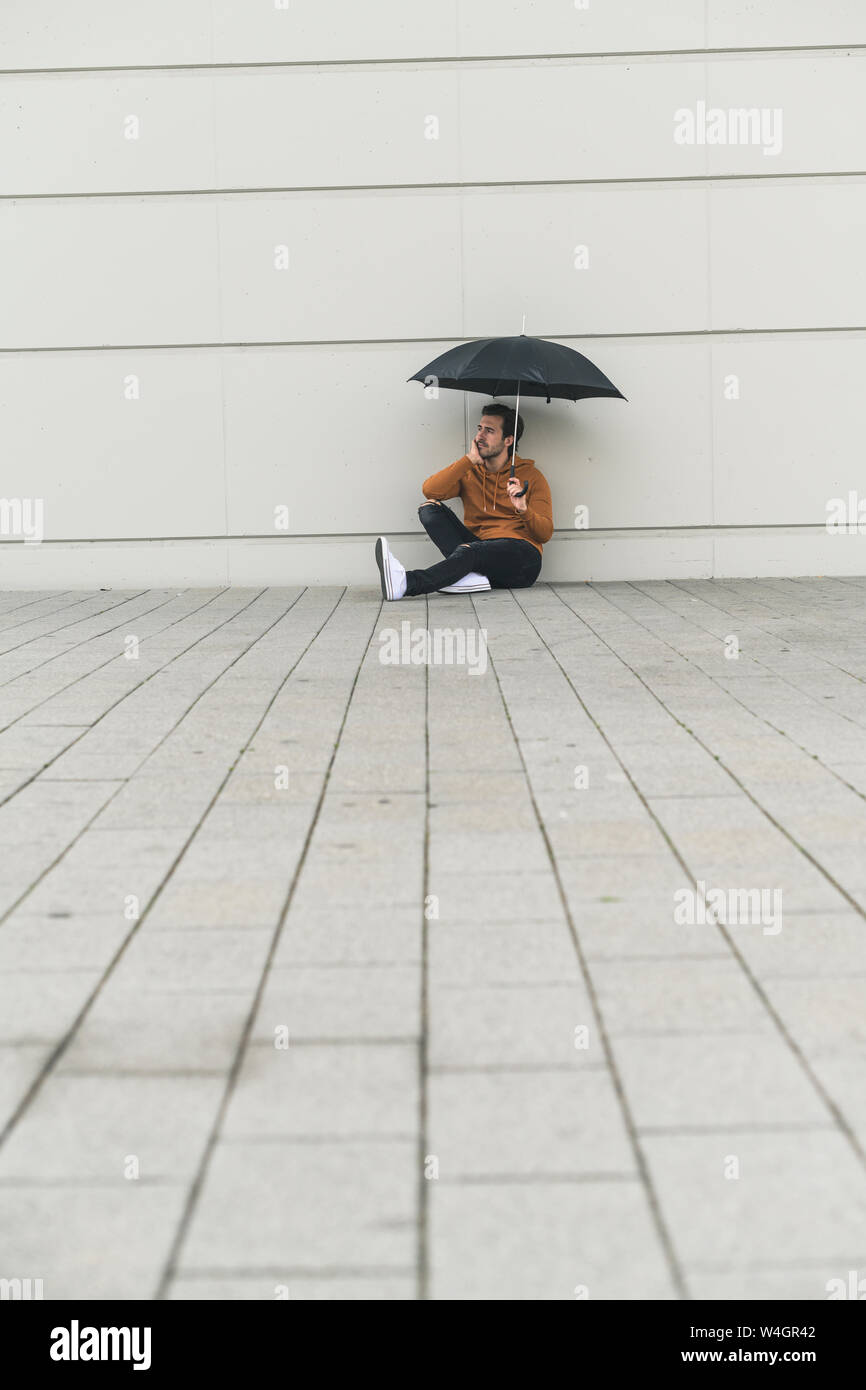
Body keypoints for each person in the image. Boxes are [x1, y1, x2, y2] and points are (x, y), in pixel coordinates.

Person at [375, 403, 553, 600]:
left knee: (471, 551)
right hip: (477, 550)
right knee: (429, 509)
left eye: (489, 431)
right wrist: (469, 459)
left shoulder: (532, 476)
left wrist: (523, 509)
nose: (479, 436)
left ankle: (406, 583)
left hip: (521, 559)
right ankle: (469, 577)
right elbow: (430, 490)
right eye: (479, 429)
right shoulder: (470, 471)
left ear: (508, 440)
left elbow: (544, 533)